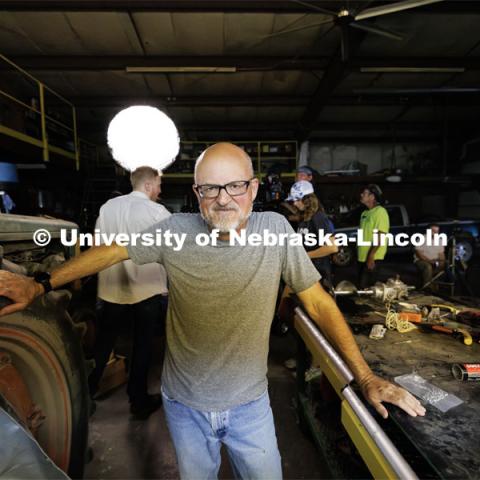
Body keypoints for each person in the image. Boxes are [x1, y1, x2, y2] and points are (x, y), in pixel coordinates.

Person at [0, 143, 425, 480]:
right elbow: (113, 250)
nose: (223, 200)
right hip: (185, 407)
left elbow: (317, 300)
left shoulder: (275, 230)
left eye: (234, 186)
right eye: (210, 189)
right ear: (197, 194)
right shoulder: (175, 231)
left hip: (250, 406)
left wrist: (366, 377)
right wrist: (40, 283)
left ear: (254, 190)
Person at [89, 166, 170, 418]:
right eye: (158, 185)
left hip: (112, 287)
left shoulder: (108, 208)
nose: (159, 190)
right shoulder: (158, 212)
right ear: (148, 185)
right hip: (146, 288)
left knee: (103, 342)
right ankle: (138, 401)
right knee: (143, 344)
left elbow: (97, 246)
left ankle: (83, 395)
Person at [357, 184, 390, 288]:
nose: (361, 194)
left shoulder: (380, 212)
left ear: (372, 196)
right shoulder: (364, 213)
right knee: (362, 289)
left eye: (365, 193)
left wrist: (371, 256)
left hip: (373, 258)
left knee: (369, 290)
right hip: (362, 258)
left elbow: (380, 236)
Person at [414, 224, 446, 289]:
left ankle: (438, 288)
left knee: (445, 268)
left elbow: (441, 254)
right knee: (428, 267)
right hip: (421, 261)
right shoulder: (422, 238)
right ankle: (427, 288)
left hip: (435, 261)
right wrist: (430, 261)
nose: (435, 233)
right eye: (433, 231)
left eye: (437, 231)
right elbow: (419, 254)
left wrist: (441, 264)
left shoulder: (439, 241)